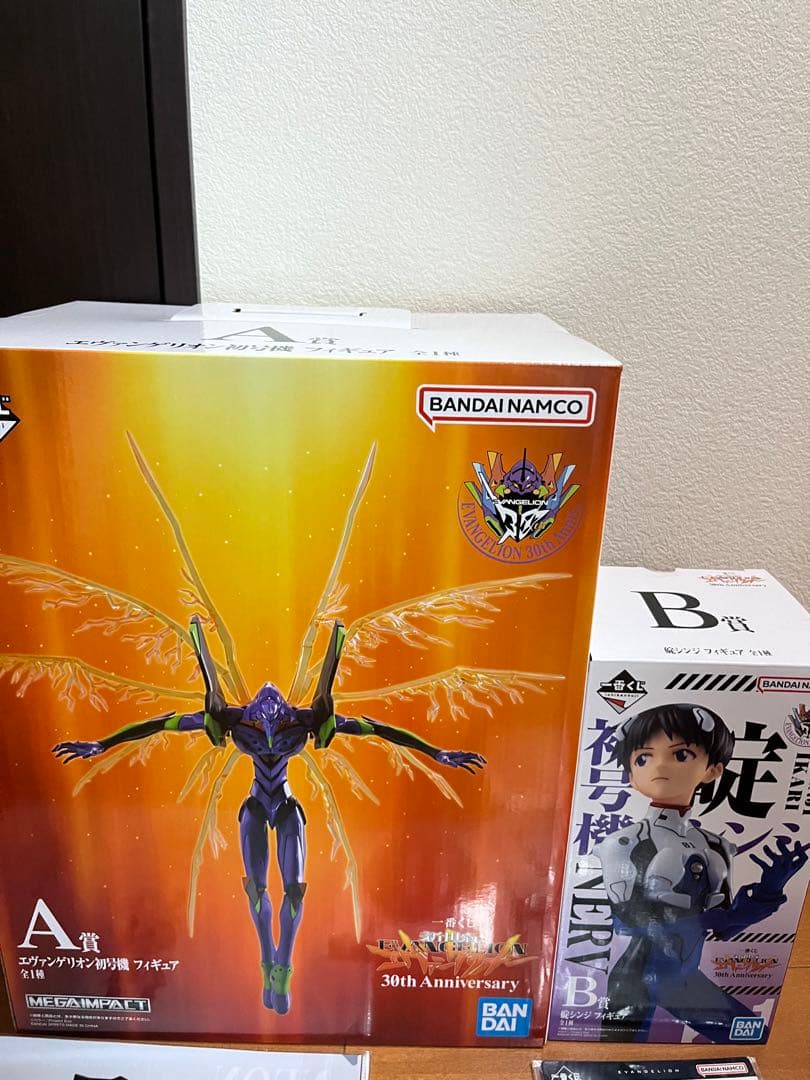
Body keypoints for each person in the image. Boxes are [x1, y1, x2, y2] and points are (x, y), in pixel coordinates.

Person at [53, 616, 486, 1015]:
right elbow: (160, 723)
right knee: (258, 890)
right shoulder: (234, 720)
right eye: (262, 729)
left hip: (287, 806)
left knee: (293, 891)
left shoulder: (304, 721)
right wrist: (101, 745)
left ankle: (283, 967)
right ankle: (269, 965)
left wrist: (436, 752)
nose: (270, 733)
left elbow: (378, 729)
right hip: (257, 806)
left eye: (276, 728)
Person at [595, 702, 807, 1041]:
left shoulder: (715, 846)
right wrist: (697, 920)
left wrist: (768, 892)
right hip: (635, 982)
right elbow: (626, 917)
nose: (660, 765)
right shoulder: (624, 842)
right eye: (644, 758)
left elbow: (726, 926)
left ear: (712, 770)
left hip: (682, 979)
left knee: (751, 1037)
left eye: (681, 755)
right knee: (608, 1057)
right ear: (632, 777)